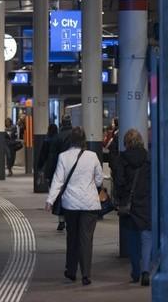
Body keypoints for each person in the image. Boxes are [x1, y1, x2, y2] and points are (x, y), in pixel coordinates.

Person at [45, 126, 103, 286]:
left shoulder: (63, 157)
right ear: (84, 140)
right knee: (86, 239)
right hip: (90, 204)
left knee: (72, 237)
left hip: (70, 204)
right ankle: (86, 274)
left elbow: (58, 180)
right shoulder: (92, 156)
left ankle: (71, 271)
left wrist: (50, 200)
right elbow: (99, 179)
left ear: (71, 140)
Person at [110, 128, 151, 286]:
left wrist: (120, 198)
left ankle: (135, 271)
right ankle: (146, 270)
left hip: (130, 203)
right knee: (146, 237)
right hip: (146, 201)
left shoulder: (123, 159)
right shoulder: (148, 157)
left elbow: (119, 181)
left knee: (133, 239)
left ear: (126, 143)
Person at [45, 114, 73, 231]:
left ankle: (61, 220)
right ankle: (71, 219)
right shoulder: (76, 135)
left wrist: (48, 174)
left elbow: (52, 157)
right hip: (74, 169)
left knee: (60, 195)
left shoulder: (57, 137)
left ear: (61, 122)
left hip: (60, 168)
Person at [36, 123, 58, 187]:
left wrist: (40, 166)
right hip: (58, 163)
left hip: (49, 163)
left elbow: (43, 155)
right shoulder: (59, 139)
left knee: (51, 181)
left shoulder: (47, 140)